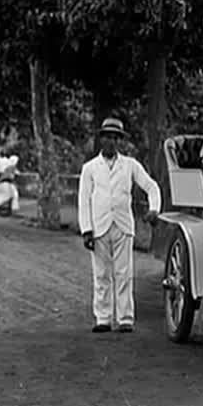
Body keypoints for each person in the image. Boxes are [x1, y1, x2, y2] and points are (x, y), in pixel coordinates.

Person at [77, 117, 161, 334]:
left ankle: (125, 318)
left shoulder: (130, 165)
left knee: (124, 274)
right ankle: (103, 318)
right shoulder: (90, 168)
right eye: (107, 137)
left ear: (120, 142)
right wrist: (86, 229)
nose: (111, 142)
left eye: (115, 138)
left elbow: (151, 187)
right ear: (101, 139)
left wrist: (154, 209)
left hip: (123, 225)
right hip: (99, 225)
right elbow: (84, 200)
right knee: (101, 273)